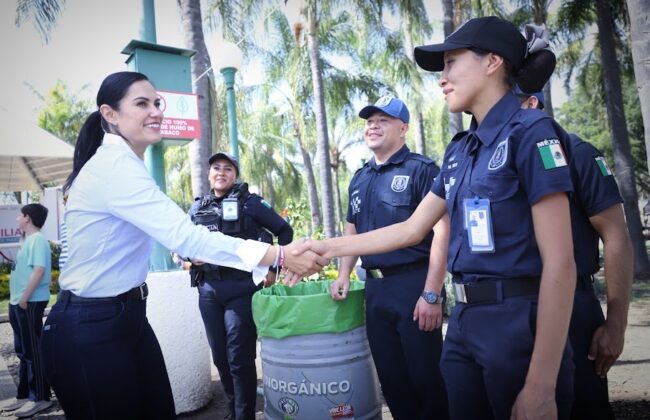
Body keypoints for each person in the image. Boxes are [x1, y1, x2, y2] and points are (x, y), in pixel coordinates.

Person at [294, 16, 577, 419]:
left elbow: (561, 262)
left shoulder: (532, 134)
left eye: (450, 63)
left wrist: (541, 385)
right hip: (463, 325)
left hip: (517, 324)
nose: (441, 78)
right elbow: (411, 228)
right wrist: (323, 247)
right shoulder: (461, 149)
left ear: (493, 61)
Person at [38, 71, 327, 420]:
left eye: (157, 102)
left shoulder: (127, 165)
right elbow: (187, 238)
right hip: (90, 326)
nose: (156, 111)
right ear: (110, 114)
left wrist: (277, 257)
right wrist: (280, 256)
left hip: (127, 317)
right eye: (141, 103)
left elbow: (194, 239)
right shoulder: (114, 166)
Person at [330, 96, 448, 419]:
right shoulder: (359, 178)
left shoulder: (422, 170)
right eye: (369, 121)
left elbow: (442, 232)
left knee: (428, 382)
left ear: (403, 128)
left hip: (414, 287)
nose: (373, 126)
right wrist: (343, 275)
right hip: (376, 292)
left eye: (383, 120)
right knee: (393, 383)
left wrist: (432, 292)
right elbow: (352, 232)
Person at [520, 90, 633, 419]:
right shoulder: (495, 162)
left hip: (573, 307)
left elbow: (615, 237)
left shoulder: (576, 153)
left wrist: (615, 324)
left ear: (532, 103)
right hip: (514, 310)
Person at [188, 152, 293, 420]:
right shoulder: (198, 207)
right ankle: (235, 408)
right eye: (216, 168)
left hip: (242, 289)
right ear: (209, 173)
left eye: (227, 169)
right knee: (221, 357)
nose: (221, 172)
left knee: (238, 356)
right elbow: (181, 243)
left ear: (235, 175)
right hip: (209, 290)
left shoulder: (251, 203)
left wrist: (273, 268)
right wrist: (189, 257)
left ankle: (244, 414)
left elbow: (285, 232)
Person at [3, 204, 53, 418]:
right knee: (23, 351)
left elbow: (40, 270)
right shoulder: (28, 241)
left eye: (20, 216)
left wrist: (24, 299)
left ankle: (40, 398)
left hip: (29, 303)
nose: (17, 219)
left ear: (28, 218)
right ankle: (24, 395)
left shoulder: (38, 240)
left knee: (33, 352)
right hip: (19, 303)